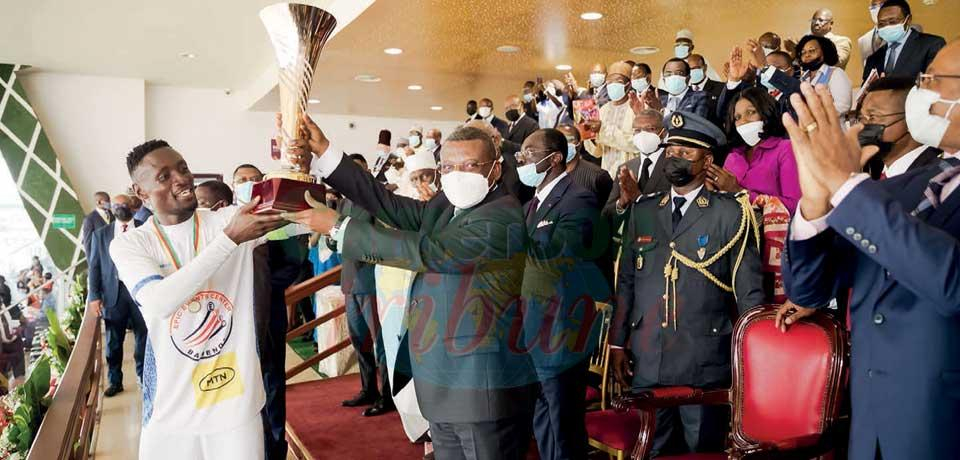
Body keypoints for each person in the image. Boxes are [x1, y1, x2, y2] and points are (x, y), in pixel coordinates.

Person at [285, 118, 536, 460]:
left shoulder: (501, 217)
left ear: (495, 169)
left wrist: (340, 228)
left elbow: (428, 252)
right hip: (441, 381)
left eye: (470, 165)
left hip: (482, 389)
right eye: (448, 166)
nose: (457, 174)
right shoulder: (447, 206)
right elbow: (390, 205)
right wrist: (326, 153)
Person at [776, 40, 960, 459]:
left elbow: (951, 282)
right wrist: (816, 203)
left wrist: (846, 184)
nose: (922, 90)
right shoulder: (901, 186)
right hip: (873, 430)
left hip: (942, 428)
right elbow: (808, 290)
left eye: (934, 80)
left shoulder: (867, 194)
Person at [111, 139, 292, 460]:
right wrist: (230, 241)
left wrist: (295, 158)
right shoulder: (131, 244)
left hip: (236, 407)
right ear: (141, 192)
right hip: (171, 411)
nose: (181, 178)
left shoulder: (226, 219)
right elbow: (157, 303)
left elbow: (293, 208)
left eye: (182, 169)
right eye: (164, 176)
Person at [610, 111, 764, 457]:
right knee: (654, 449)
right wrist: (618, 343)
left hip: (704, 359)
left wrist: (751, 356)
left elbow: (748, 290)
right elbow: (628, 281)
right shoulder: (645, 209)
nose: (675, 157)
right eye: (672, 149)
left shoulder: (730, 212)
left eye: (686, 151)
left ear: (707, 160)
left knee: (700, 450)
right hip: (649, 355)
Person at [515, 129, 609, 460]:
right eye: (521, 154)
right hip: (532, 327)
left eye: (529, 153)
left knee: (564, 424)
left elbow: (561, 255)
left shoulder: (578, 198)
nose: (522, 161)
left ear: (555, 158)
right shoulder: (531, 205)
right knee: (542, 415)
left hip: (562, 329)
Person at [230, 163, 307, 460]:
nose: (248, 183)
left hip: (268, 308)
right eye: (242, 180)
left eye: (253, 179)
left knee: (270, 379)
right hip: (230, 316)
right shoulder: (221, 218)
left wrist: (258, 286)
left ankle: (274, 447)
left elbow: (294, 262)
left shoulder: (282, 216)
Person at [331, 154, 394, 416]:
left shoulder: (377, 202)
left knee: (381, 342)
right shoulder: (343, 203)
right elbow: (334, 237)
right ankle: (368, 388)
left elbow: (382, 239)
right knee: (360, 341)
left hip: (372, 281)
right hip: (349, 281)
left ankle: (387, 395)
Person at [87, 194, 148, 397]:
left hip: (141, 291)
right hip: (114, 293)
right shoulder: (101, 234)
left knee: (144, 336)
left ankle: (143, 376)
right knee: (114, 341)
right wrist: (94, 296)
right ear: (111, 208)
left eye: (125, 204)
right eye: (117, 205)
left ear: (133, 206)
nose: (121, 207)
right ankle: (115, 380)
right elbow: (94, 266)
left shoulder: (146, 227)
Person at [712, 87, 801, 214]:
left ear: (765, 112)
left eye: (751, 112)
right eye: (737, 117)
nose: (743, 121)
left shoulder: (785, 148)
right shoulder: (733, 156)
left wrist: (739, 192)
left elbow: (794, 205)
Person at [857, 76, 942, 179]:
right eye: (862, 118)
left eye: (873, 117)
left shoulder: (935, 178)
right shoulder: (887, 172)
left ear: (912, 120)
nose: (862, 127)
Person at [862, 0, 945, 83]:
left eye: (893, 21)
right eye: (881, 24)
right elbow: (865, 92)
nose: (887, 26)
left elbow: (936, 84)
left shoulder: (932, 45)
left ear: (908, 20)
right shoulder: (872, 59)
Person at [464, 119, 535, 204]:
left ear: (495, 141)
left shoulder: (520, 173)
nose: (467, 149)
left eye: (474, 141)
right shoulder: (461, 174)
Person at [590, 61, 640, 177]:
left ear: (629, 84)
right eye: (609, 82)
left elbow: (637, 144)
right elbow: (598, 152)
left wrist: (603, 130)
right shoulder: (603, 110)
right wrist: (590, 134)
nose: (612, 85)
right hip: (607, 171)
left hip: (631, 172)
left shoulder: (637, 107)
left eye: (618, 82)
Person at [795, 35, 853, 114]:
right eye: (803, 52)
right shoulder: (803, 78)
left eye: (811, 50)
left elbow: (843, 106)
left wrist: (817, 115)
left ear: (825, 51)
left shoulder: (836, 73)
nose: (807, 55)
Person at [557, 124, 613, 205]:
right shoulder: (547, 174)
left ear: (579, 144)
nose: (564, 144)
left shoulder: (597, 176)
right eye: (559, 140)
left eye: (569, 139)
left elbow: (609, 210)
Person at [688, 54, 724, 123]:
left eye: (696, 68)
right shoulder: (685, 93)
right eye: (689, 69)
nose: (692, 72)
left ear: (705, 67)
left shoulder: (721, 88)